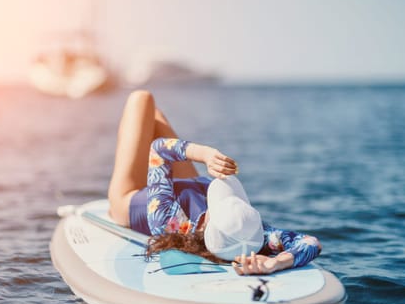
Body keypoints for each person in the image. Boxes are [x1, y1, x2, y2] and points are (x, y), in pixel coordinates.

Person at [108, 90, 322, 275]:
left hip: (132, 199)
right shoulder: (250, 234)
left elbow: (159, 149)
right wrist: (274, 263)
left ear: (207, 223)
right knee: (153, 118)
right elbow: (310, 243)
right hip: (191, 188)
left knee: (142, 100)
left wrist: (205, 154)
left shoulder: (168, 221)